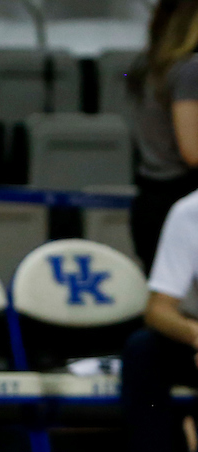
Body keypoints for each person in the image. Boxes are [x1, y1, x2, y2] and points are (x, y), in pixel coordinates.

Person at [117, 188, 198, 452]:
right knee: (143, 351)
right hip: (194, 337)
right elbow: (159, 309)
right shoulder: (189, 212)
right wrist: (195, 335)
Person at [128, 0, 198, 269]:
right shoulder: (190, 69)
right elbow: (192, 151)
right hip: (180, 202)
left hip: (149, 201)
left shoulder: (147, 65)